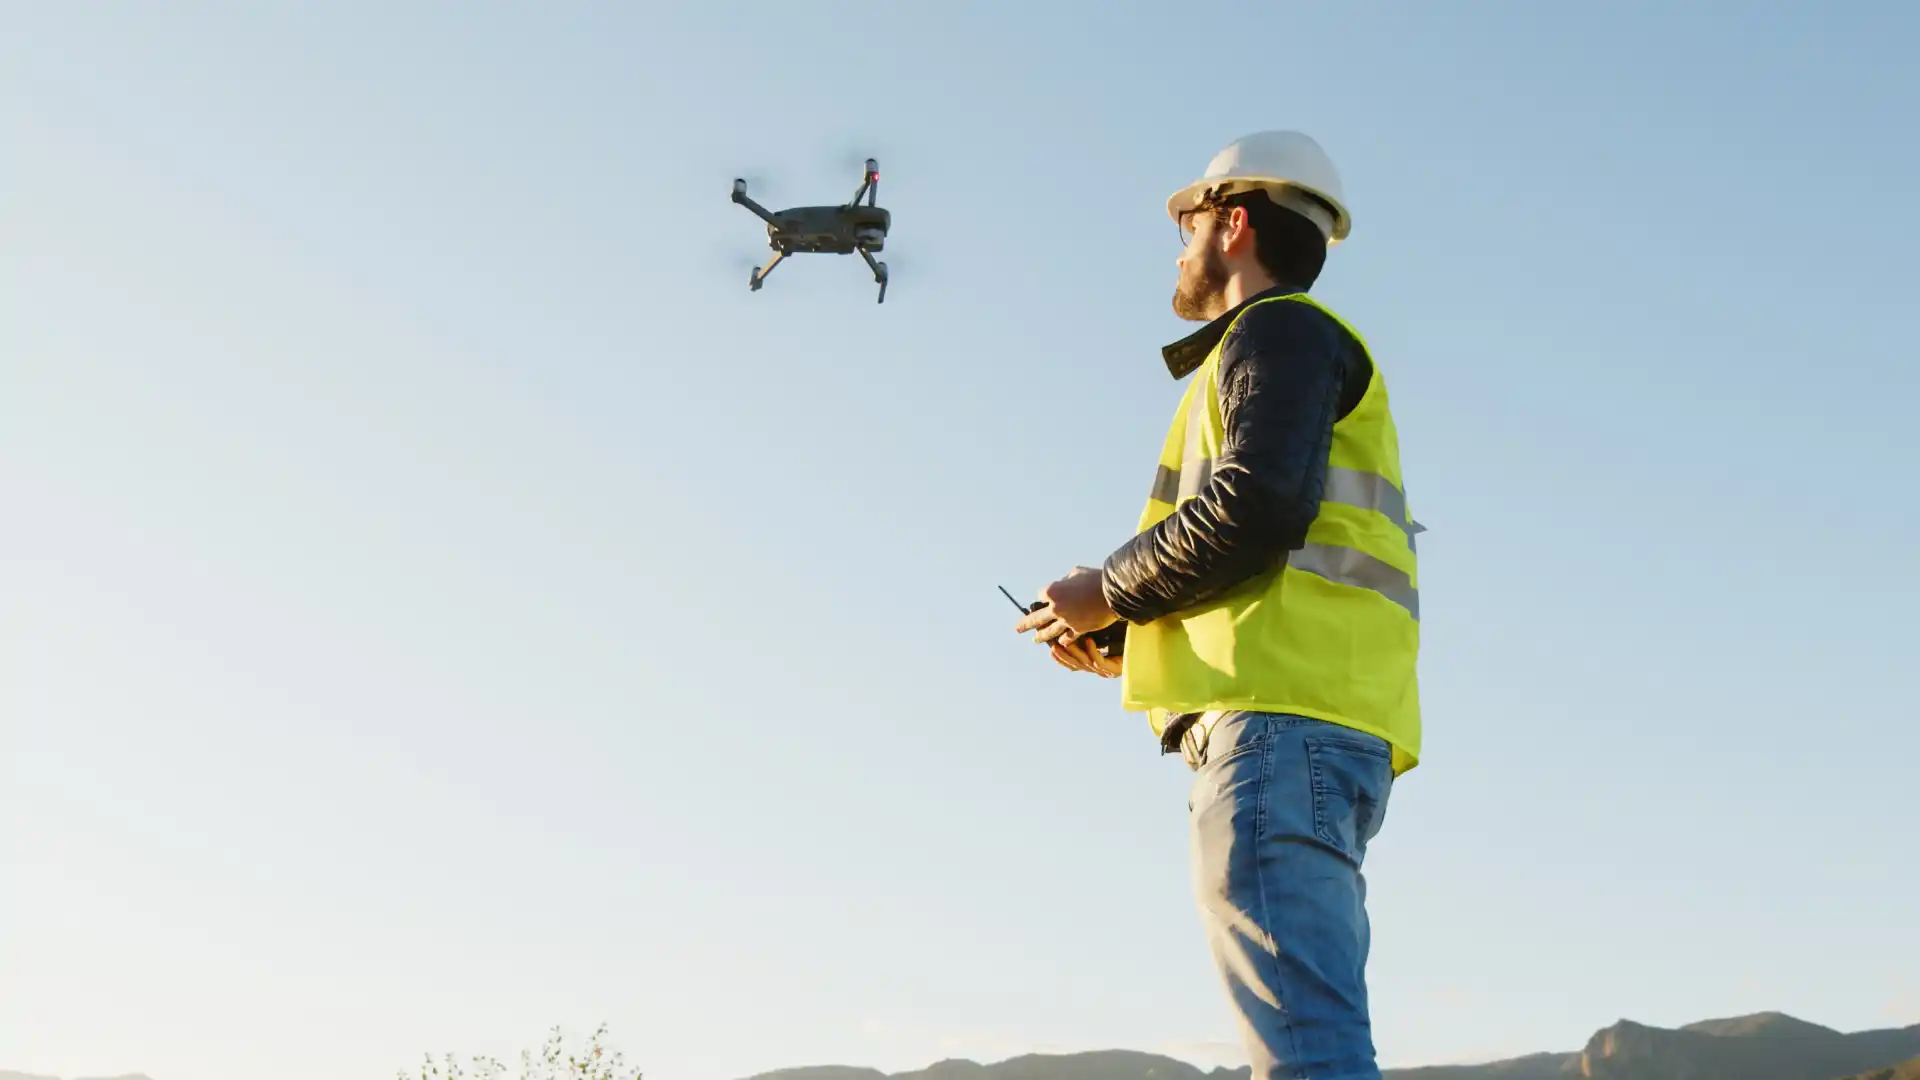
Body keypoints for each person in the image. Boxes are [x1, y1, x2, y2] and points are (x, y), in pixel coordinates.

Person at [1014, 130, 1423, 1080]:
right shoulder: (1295, 348)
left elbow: (1258, 506)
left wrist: (1103, 588)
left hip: (1279, 731)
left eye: (1187, 220)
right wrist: (1121, 638)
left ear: (1234, 223)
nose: (1176, 244)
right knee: (1307, 1038)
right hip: (1316, 724)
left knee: (1306, 1051)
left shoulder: (1276, 333)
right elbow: (1270, 552)